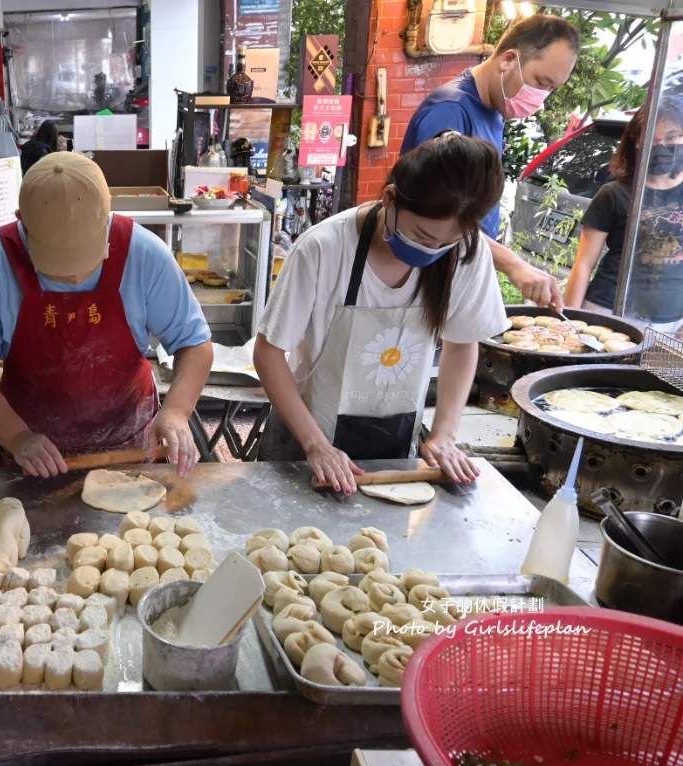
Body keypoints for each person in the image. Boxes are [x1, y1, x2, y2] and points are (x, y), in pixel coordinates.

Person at [253, 133, 508, 493]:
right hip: (305, 439)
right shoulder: (325, 248)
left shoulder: (466, 253)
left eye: (443, 244)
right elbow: (268, 351)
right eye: (421, 234)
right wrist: (316, 445)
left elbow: (462, 343)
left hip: (396, 445)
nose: (431, 251)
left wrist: (444, 436)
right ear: (390, 198)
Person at [0, 152, 213, 478]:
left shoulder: (145, 255)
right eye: (58, 260)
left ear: (107, 214)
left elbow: (194, 343)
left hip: (132, 445)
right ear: (22, 219)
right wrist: (16, 436)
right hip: (35, 459)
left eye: (86, 256)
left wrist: (175, 412)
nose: (73, 277)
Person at [402, 14, 580, 311]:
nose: (541, 98)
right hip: (433, 279)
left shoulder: (491, 110)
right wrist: (512, 264)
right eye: (540, 82)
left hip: (462, 267)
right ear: (509, 59)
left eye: (551, 89)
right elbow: (438, 216)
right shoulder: (450, 112)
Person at [565, 98, 683, 334]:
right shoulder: (613, 194)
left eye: (671, 137)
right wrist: (568, 323)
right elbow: (584, 264)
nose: (660, 146)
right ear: (636, 143)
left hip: (671, 322)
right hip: (608, 313)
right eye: (650, 138)